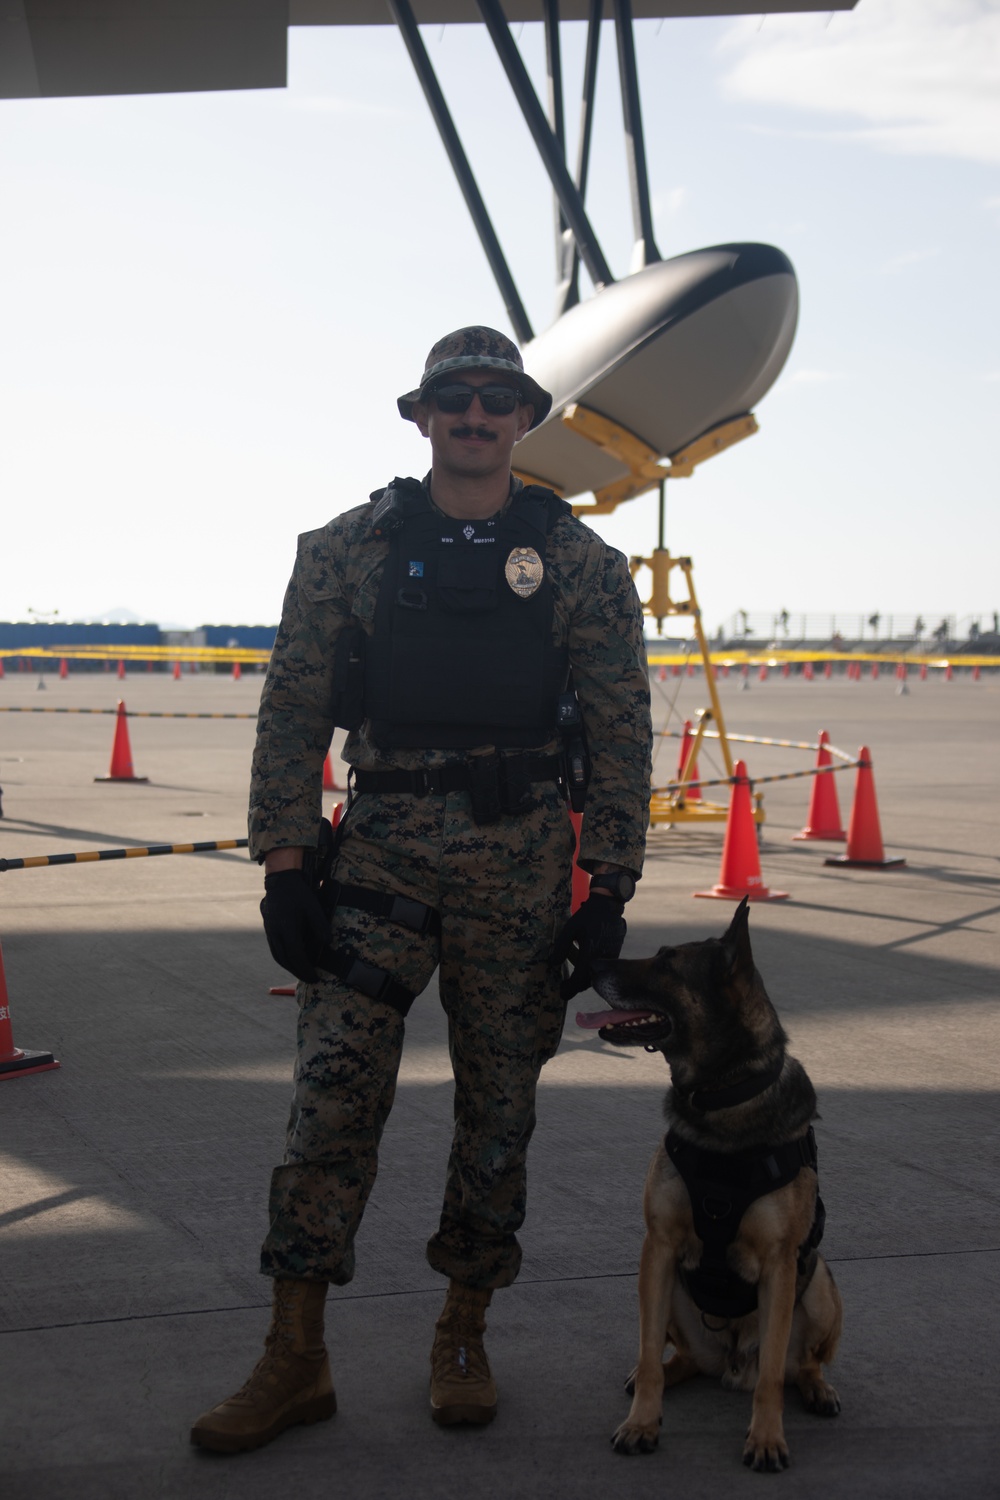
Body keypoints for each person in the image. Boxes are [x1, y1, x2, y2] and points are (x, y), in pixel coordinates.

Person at [190, 326, 652, 1453]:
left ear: (525, 418)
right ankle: (293, 1354)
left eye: (499, 399)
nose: (478, 415)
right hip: (380, 854)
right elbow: (294, 709)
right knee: (329, 1105)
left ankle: (463, 1331)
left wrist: (608, 886)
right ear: (421, 414)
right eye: (457, 397)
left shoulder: (582, 565)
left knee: (499, 1115)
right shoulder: (347, 548)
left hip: (523, 864)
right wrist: (286, 863)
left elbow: (620, 723)